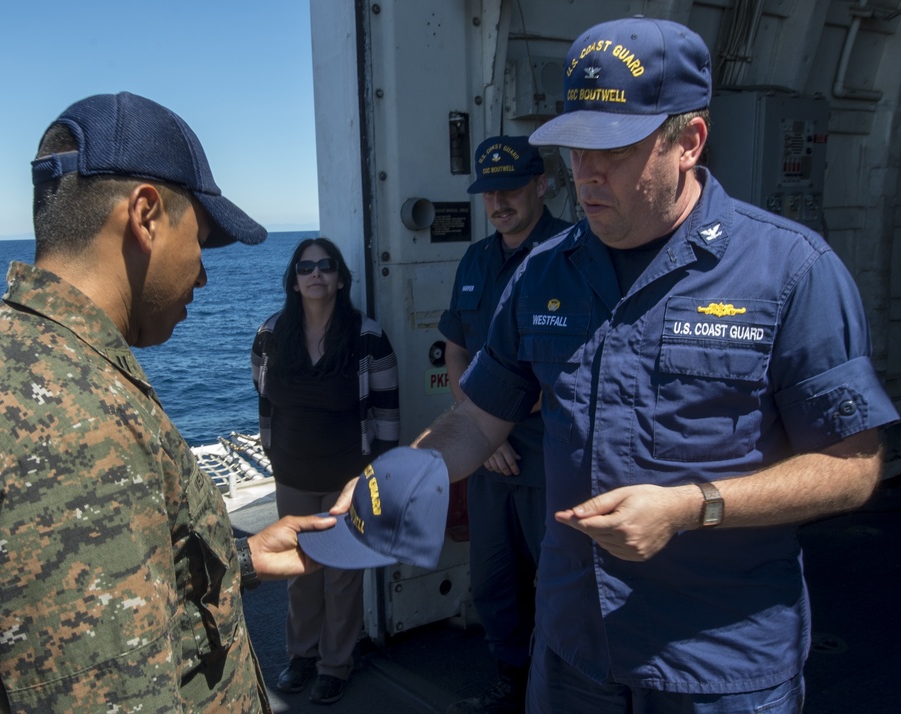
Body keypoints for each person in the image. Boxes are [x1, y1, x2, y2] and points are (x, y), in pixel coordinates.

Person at [335, 16, 899, 714]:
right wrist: (392, 483)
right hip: (576, 654)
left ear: (688, 141)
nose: (585, 173)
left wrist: (694, 508)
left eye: (615, 149)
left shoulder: (791, 271)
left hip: (720, 666)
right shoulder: (544, 272)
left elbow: (854, 464)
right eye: (575, 147)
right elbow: (478, 420)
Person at [0, 92, 338, 714]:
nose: (203, 274)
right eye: (203, 238)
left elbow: (105, 592)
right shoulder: (71, 423)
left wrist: (239, 558)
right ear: (145, 215)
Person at [439, 136, 569, 713]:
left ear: (542, 184)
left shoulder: (574, 251)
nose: (498, 203)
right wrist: (483, 430)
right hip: (489, 453)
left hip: (549, 455)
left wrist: (492, 423)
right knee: (494, 583)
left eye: (511, 188)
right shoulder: (476, 259)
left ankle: (561, 690)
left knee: (561, 582)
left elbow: (576, 362)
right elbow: (454, 346)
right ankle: (511, 683)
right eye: (488, 193)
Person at [251, 237, 400, 705]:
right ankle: (302, 656)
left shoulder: (367, 336)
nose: (316, 274)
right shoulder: (270, 334)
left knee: (341, 575)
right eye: (306, 267)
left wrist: (376, 475)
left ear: (340, 278)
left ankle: (336, 664)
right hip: (291, 475)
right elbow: (264, 399)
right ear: (294, 281)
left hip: (348, 479)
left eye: (326, 266)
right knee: (301, 573)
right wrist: (272, 454)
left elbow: (388, 412)